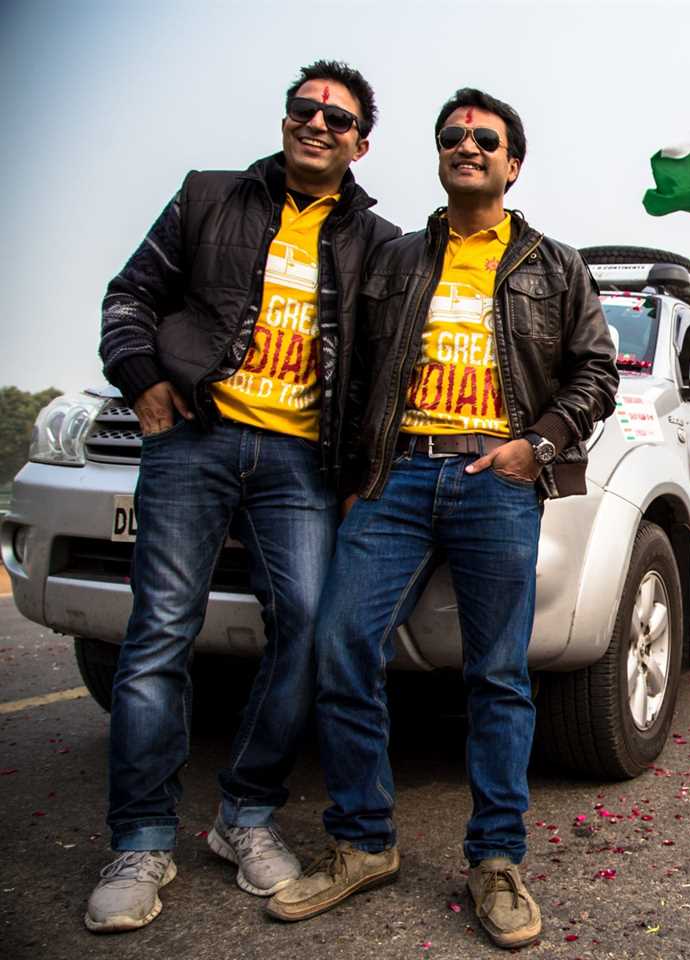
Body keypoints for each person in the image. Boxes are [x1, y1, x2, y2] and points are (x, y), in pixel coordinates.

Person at [264, 89, 618, 949]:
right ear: (438, 153)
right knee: (342, 646)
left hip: (496, 476)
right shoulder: (392, 258)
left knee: (497, 675)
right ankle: (362, 842)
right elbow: (351, 371)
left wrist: (538, 444)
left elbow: (595, 373)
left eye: (485, 138)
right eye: (453, 135)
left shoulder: (554, 264)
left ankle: (497, 860)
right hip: (397, 479)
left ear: (513, 162)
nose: (468, 146)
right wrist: (356, 475)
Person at [86, 62, 399, 933]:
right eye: (306, 109)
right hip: (195, 439)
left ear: (360, 144)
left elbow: (386, 365)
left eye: (338, 120)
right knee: (159, 633)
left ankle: (246, 815)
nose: (318, 125)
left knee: (306, 627)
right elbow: (129, 297)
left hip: (301, 462)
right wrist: (142, 377)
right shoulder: (208, 196)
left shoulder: (377, 241)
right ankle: (142, 838)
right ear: (287, 117)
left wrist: (360, 477)